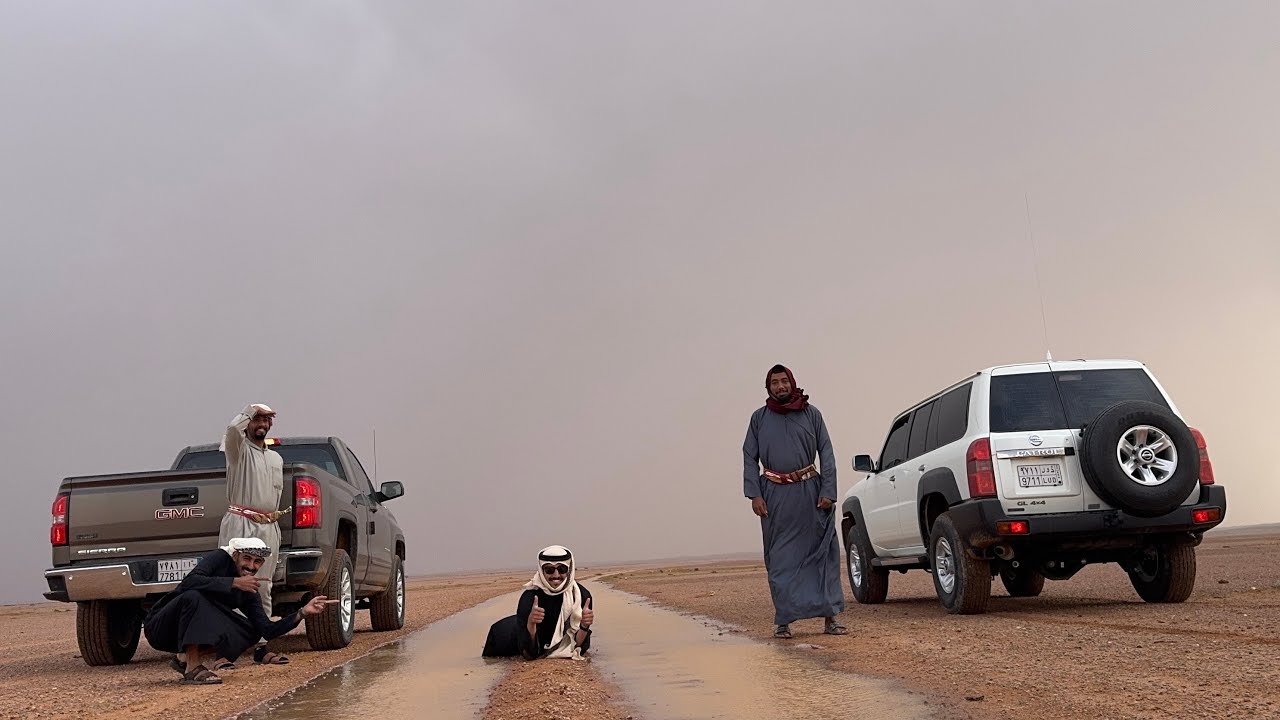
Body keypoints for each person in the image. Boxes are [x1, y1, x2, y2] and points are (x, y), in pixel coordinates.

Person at [742, 364, 848, 639]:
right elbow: (749, 457)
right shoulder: (759, 418)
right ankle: (783, 621)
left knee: (822, 555)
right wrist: (754, 494)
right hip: (774, 497)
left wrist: (828, 490)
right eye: (774, 383)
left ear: (792, 382)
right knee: (780, 559)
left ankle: (830, 618)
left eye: (783, 381)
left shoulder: (812, 414)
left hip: (811, 494)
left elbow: (826, 451)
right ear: (768, 388)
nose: (780, 387)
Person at [142, 538, 336, 685]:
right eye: (247, 559)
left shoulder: (249, 591)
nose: (250, 566)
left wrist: (302, 613)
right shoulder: (220, 558)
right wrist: (234, 582)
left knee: (251, 630)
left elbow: (266, 630)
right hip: (160, 627)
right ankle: (192, 666)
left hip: (181, 637)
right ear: (235, 556)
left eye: (257, 562)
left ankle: (182, 657)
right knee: (195, 597)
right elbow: (190, 582)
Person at [219, 403, 287, 660]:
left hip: (269, 527)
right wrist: (250, 410)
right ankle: (227, 651)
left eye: (266, 419)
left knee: (263, 588)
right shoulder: (237, 451)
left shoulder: (276, 458)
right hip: (241, 524)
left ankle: (261, 648)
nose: (262, 424)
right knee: (236, 587)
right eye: (257, 419)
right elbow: (231, 430)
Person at [481, 545, 595, 660]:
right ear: (542, 571)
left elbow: (578, 646)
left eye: (562, 569)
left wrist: (584, 626)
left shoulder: (581, 596)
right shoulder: (529, 598)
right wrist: (531, 624)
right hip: (507, 639)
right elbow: (528, 653)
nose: (556, 575)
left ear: (569, 570)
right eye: (549, 570)